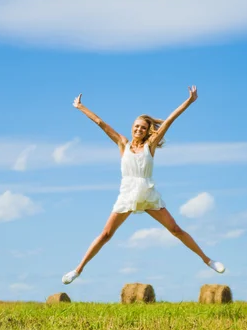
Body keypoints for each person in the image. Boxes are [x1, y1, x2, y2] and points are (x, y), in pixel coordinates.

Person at [62, 86, 225, 284]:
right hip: (127, 194)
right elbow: (100, 123)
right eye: (136, 126)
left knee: (175, 230)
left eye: (143, 127)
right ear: (132, 127)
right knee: (105, 234)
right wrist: (80, 106)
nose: (139, 129)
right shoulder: (123, 143)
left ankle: (208, 260)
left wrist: (189, 102)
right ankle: (77, 270)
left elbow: (170, 120)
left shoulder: (150, 145)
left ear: (148, 130)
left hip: (148, 194)